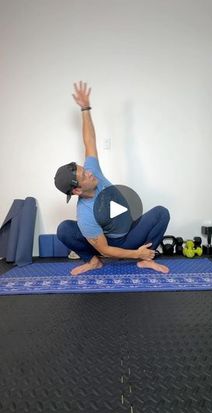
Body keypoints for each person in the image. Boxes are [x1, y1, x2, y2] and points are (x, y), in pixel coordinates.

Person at [54, 81, 170, 276]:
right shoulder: (85, 215)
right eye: (84, 175)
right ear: (77, 190)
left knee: (161, 213)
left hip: (130, 230)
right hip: (114, 242)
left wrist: (85, 108)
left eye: (85, 169)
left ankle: (146, 260)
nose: (89, 172)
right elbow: (105, 250)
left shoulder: (93, 172)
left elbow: (89, 141)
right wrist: (135, 253)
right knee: (64, 229)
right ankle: (93, 263)